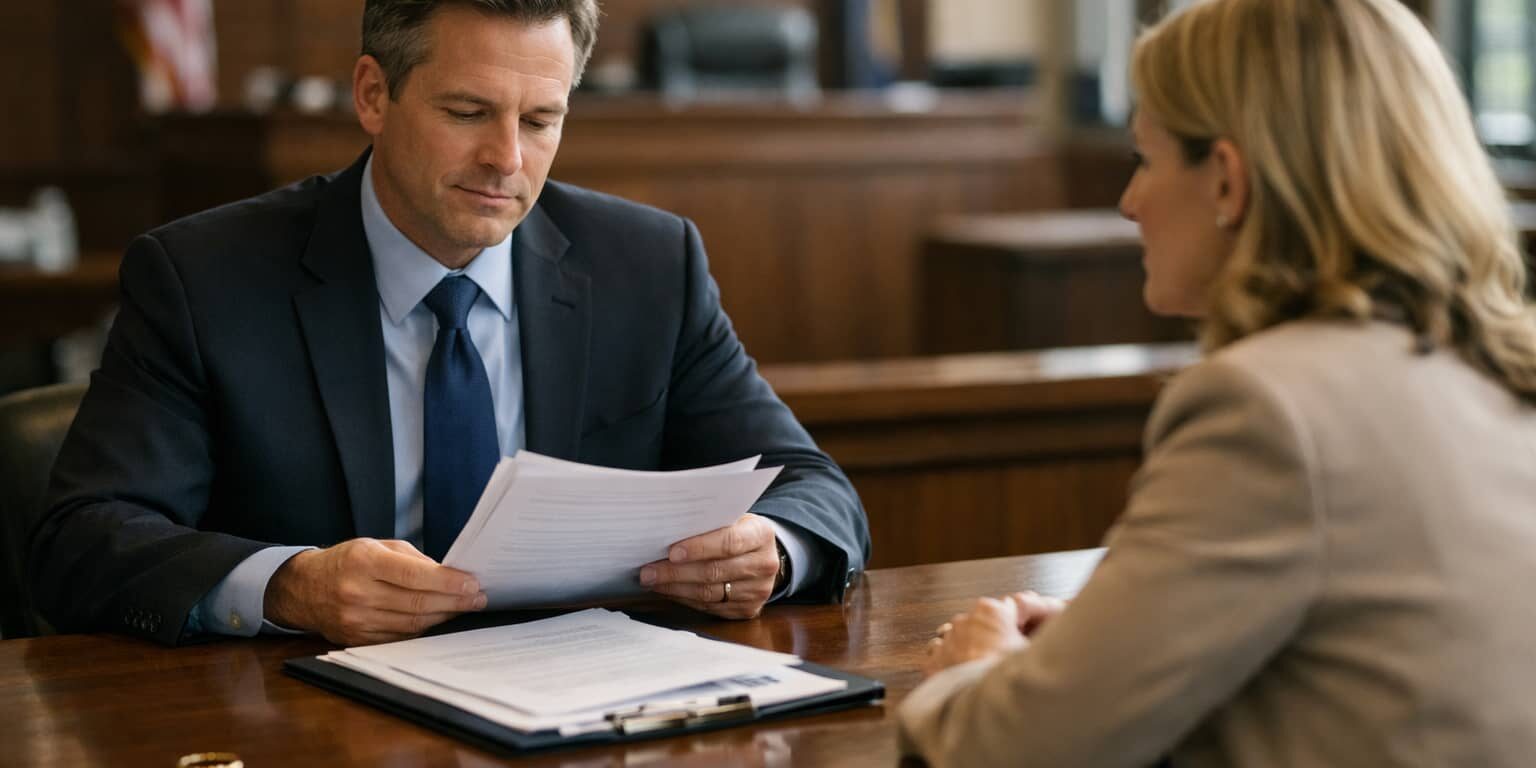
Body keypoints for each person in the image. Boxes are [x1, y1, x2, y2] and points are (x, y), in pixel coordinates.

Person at [28, 0, 869, 647]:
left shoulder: (649, 266)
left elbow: (816, 490)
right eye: (468, 113)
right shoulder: (203, 279)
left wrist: (773, 547)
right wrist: (289, 586)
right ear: (372, 95)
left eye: (541, 121)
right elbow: (83, 540)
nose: (507, 159)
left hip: (580, 701)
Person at [899, 0, 1536, 765]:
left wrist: (970, 671)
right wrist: (1110, 639)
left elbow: (1007, 749)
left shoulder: (1266, 409)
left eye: (1144, 159)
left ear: (1228, 182)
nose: (1130, 202)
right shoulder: (1496, 362)